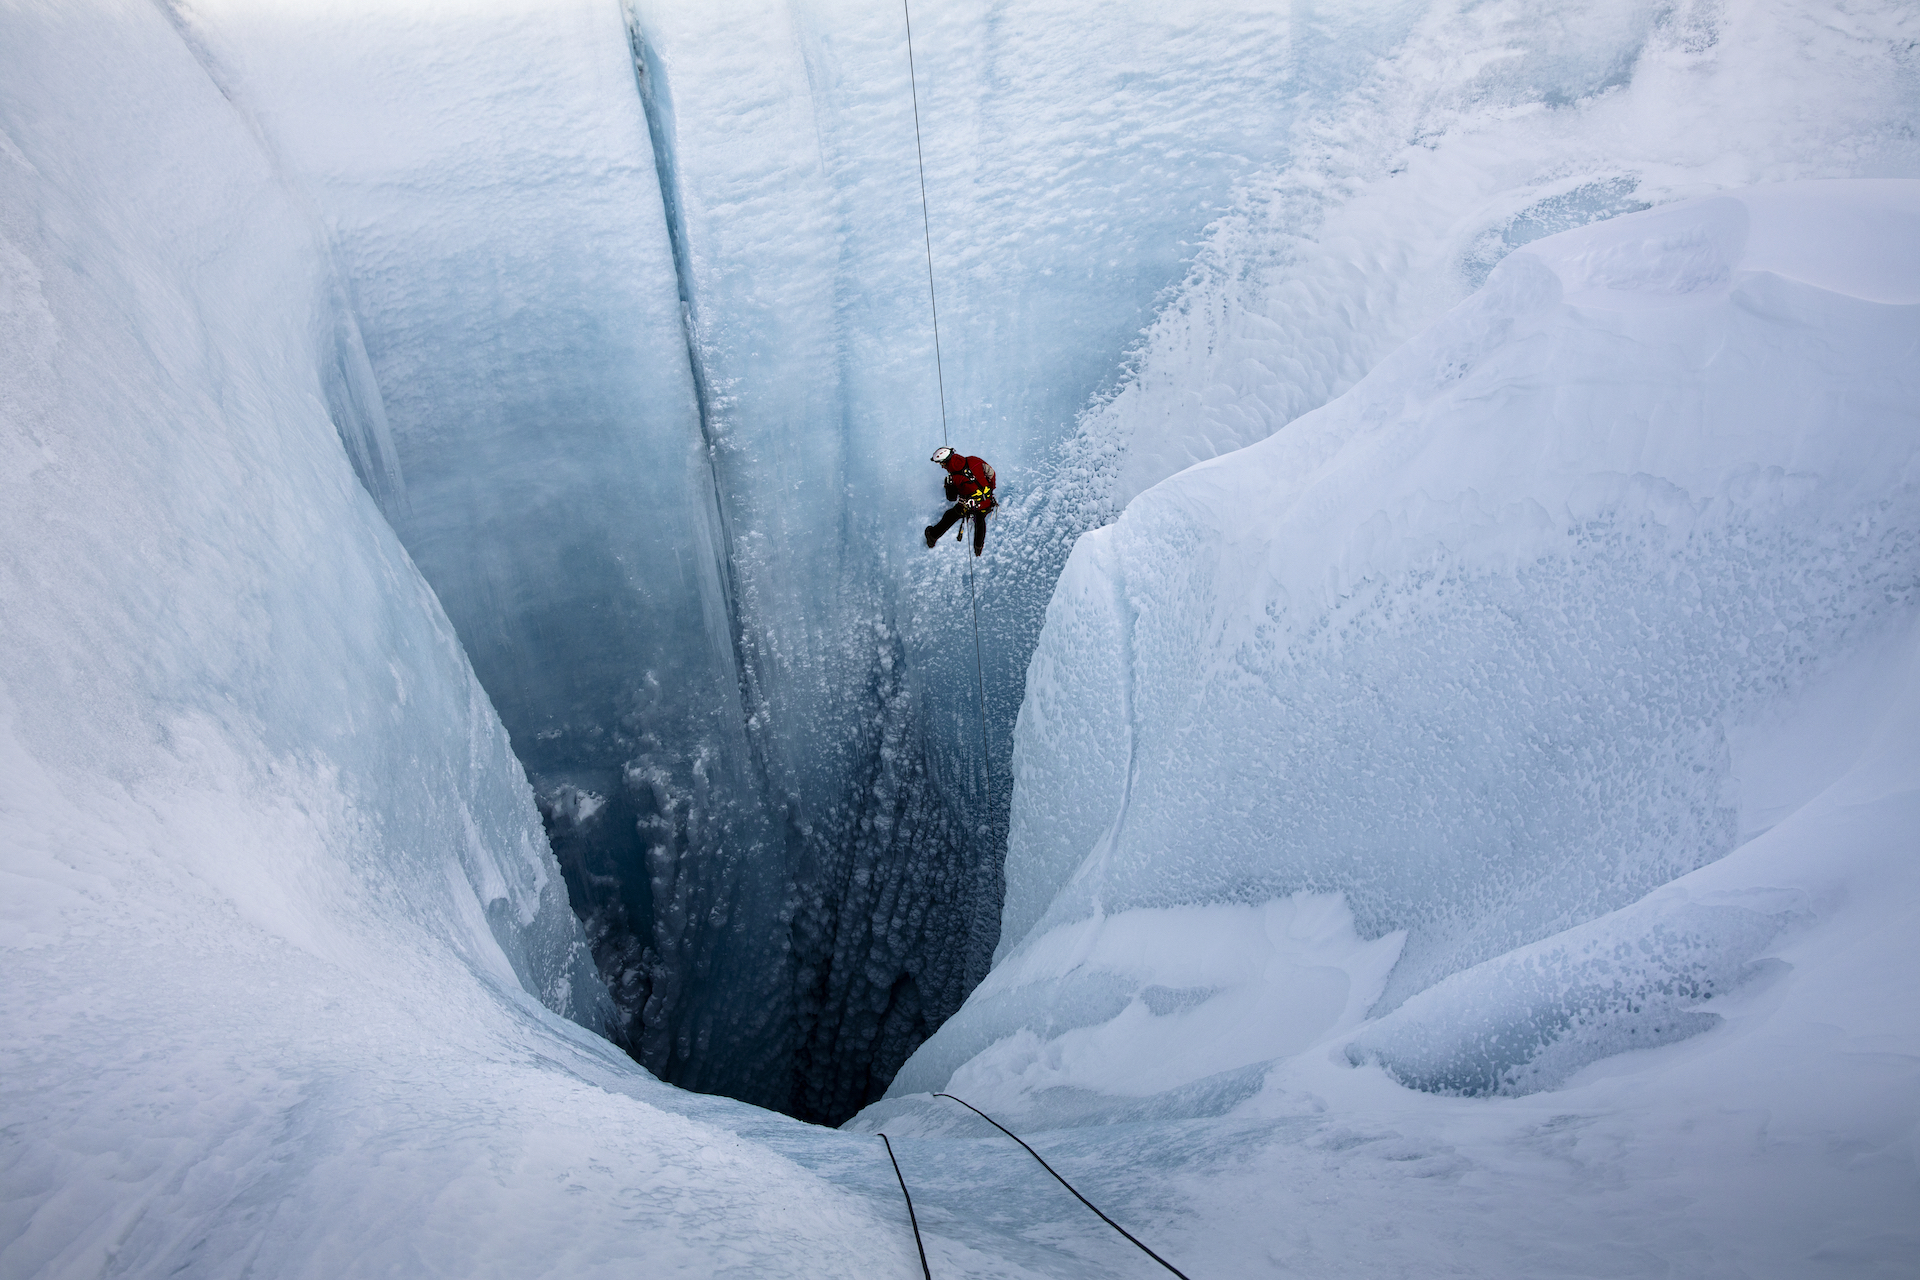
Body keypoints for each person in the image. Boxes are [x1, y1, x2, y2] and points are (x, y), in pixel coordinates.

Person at [923, 445, 996, 556]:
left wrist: (948, 485)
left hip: (969, 505)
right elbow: (991, 473)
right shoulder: (974, 459)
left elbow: (951, 498)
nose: (942, 467)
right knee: (979, 520)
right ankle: (978, 548)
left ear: (945, 462)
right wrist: (991, 488)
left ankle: (932, 536)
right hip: (987, 501)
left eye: (941, 464)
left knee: (951, 515)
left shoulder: (952, 479)